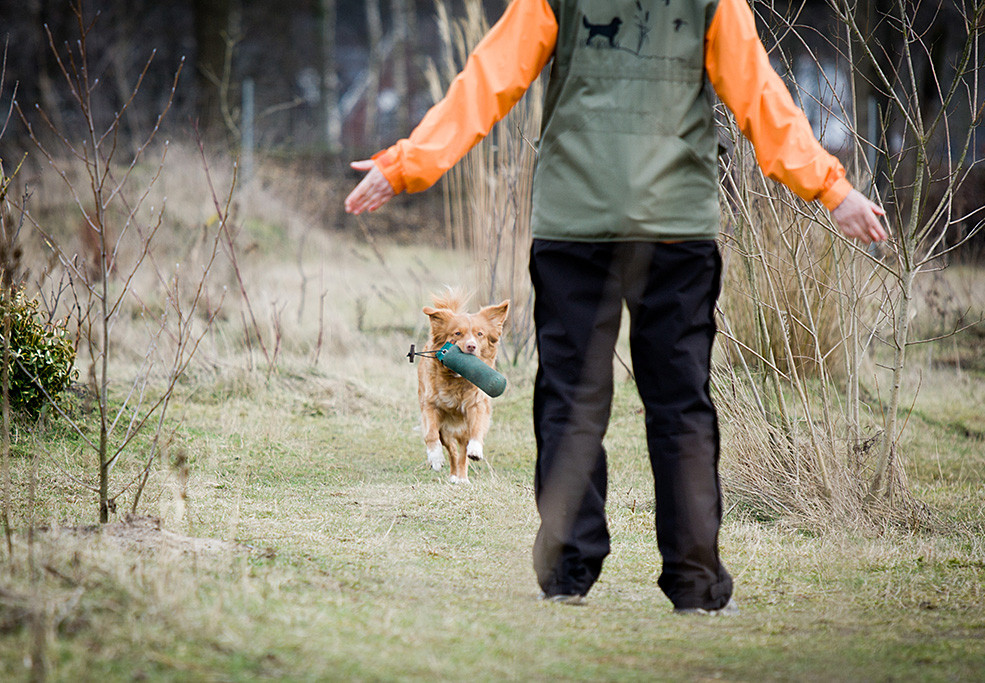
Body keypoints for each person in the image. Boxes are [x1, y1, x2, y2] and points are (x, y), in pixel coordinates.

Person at [344, 0, 886, 615]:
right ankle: (696, 585)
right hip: (671, 225)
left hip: (579, 224)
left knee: (571, 395)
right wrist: (829, 187)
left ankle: (569, 573)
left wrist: (407, 164)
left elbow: (487, 80)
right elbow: (762, 98)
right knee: (680, 402)